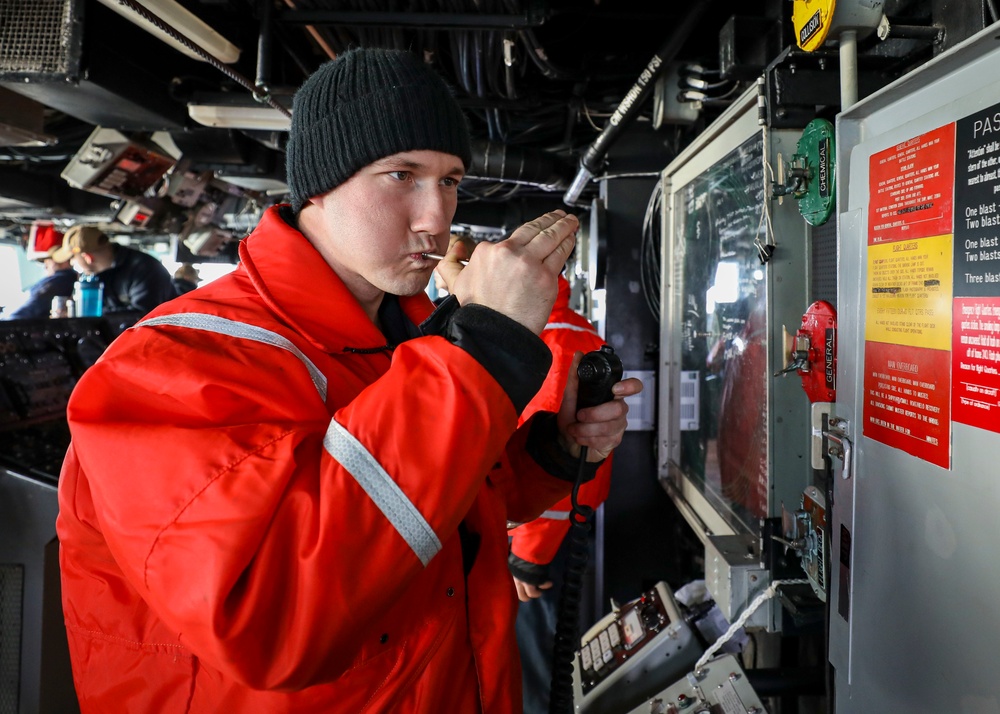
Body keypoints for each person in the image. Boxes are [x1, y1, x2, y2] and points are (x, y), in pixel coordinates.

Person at [56, 46, 643, 713]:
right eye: (401, 176)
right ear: (319, 186)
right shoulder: (172, 365)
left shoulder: (404, 340)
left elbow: (443, 511)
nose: (436, 216)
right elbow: (272, 623)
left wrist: (547, 453)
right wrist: (480, 351)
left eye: (450, 181)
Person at [506, 272, 615, 714]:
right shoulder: (569, 328)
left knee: (538, 670)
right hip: (557, 524)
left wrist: (528, 557)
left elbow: (554, 453)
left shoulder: (550, 338)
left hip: (544, 533)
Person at [52, 224, 177, 315]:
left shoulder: (145, 269)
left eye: (73, 258)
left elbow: (143, 317)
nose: (72, 263)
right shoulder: (96, 276)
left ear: (88, 257)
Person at [2, 245, 77, 320]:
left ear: (63, 260)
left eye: (48, 261)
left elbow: (34, 305)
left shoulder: (61, 280)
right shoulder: (52, 280)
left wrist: (7, 320)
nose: (45, 266)